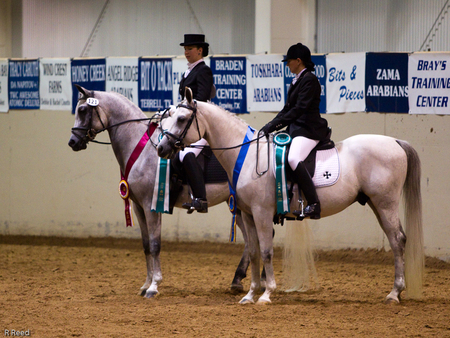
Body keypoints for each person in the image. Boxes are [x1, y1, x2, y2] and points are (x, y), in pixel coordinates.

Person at [260, 43, 329, 219]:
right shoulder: (297, 80)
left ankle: (314, 204)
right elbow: (287, 109)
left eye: (289, 61)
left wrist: (275, 125)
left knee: (292, 158)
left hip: (309, 130)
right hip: (296, 129)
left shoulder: (310, 80)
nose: (287, 64)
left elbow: (299, 109)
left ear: (298, 61)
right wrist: (270, 125)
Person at [178, 34, 214, 213]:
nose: (186, 52)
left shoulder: (203, 71)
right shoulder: (187, 72)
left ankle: (200, 198)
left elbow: (202, 100)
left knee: (187, 154)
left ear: (200, 51)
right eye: (185, 49)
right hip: (187, 123)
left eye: (189, 49)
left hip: (201, 124)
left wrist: (184, 110)